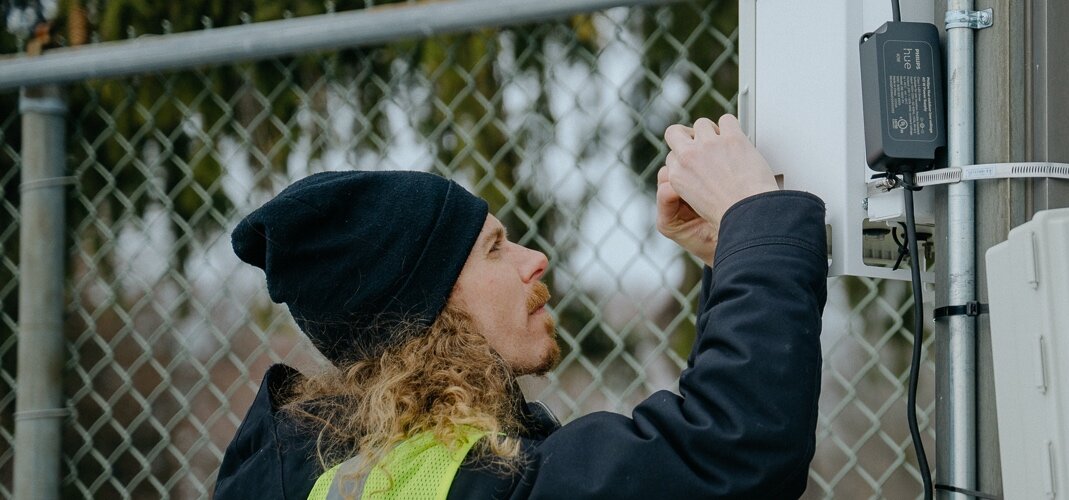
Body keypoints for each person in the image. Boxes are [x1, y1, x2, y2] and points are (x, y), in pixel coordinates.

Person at [214, 115, 828, 499]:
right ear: (425, 309)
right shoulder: (465, 485)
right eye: (493, 248)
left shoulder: (323, 471)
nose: (534, 259)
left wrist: (727, 259)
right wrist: (759, 220)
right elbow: (730, 452)